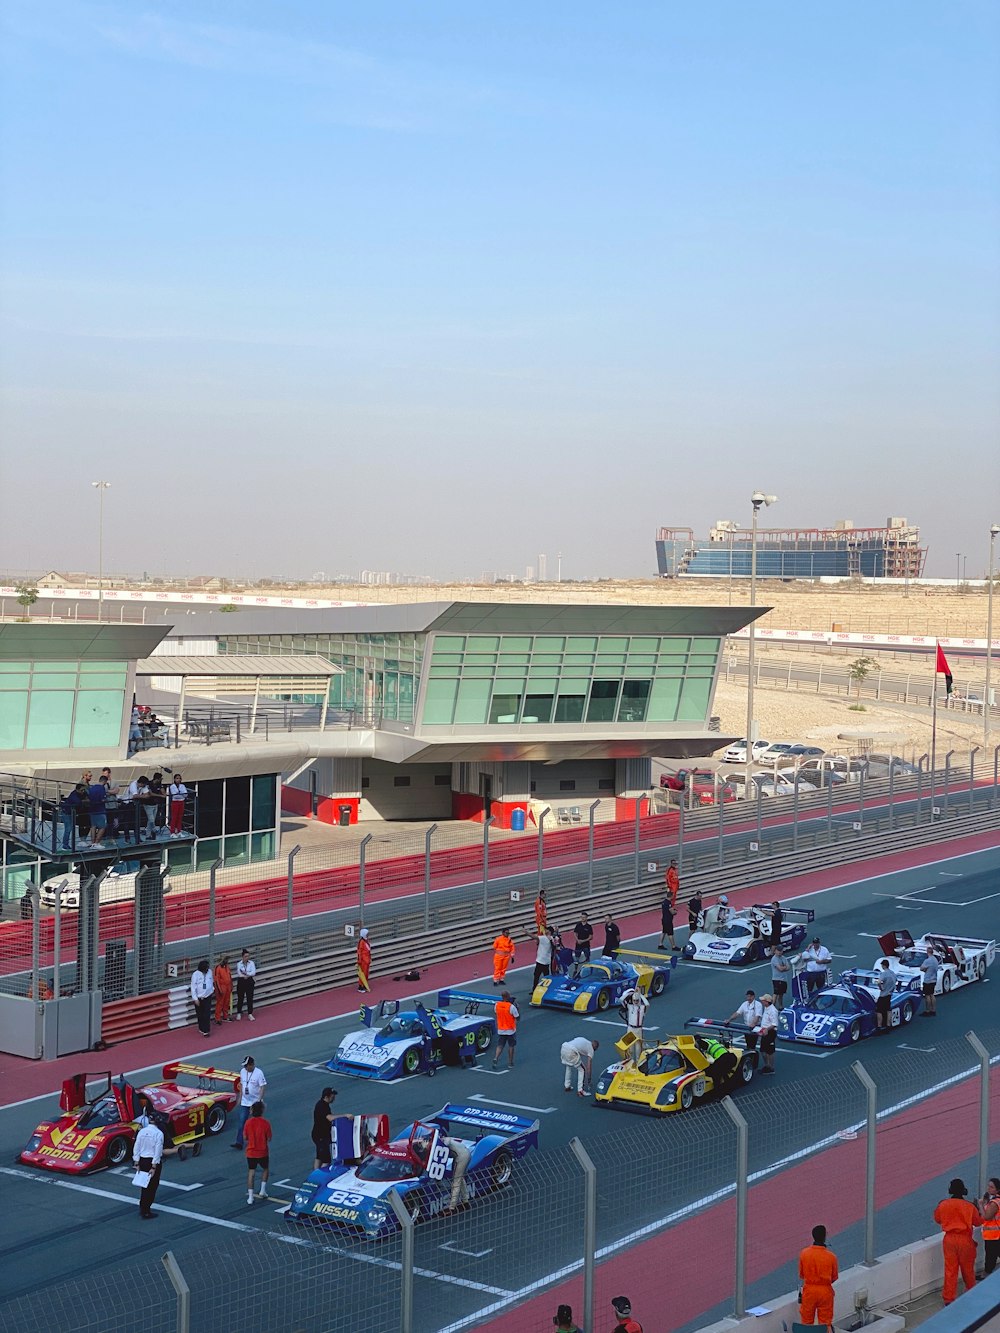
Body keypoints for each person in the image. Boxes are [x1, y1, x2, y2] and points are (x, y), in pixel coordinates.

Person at [934, 1178, 983, 1304]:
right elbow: (978, 1222)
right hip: (965, 1240)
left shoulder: (943, 1204)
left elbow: (938, 1219)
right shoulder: (969, 1207)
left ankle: (948, 1299)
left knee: (950, 1270)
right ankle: (971, 1291)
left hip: (949, 1240)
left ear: (950, 1190)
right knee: (968, 1269)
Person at [798, 1224, 838, 1327]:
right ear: (824, 1237)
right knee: (825, 1323)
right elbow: (834, 1277)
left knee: (806, 1322)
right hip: (825, 1292)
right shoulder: (831, 1257)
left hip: (809, 1291)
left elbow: (802, 1275)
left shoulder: (804, 1253)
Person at [132, 1103, 165, 1220]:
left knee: (144, 1186)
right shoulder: (159, 1134)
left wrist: (136, 1162)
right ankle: (146, 1210)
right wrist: (154, 1166)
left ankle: (143, 1207)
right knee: (152, 1186)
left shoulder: (142, 1132)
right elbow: (157, 1151)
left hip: (142, 1160)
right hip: (152, 1161)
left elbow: (136, 1147)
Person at [232, 1056, 267, 1149]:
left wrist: (259, 1100)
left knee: (256, 1124)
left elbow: (263, 1087)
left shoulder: (259, 1073)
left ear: (251, 1065)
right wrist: (239, 1098)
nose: (245, 1068)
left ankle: (256, 1142)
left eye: (246, 1066)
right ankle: (239, 1142)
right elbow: (242, 1085)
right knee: (241, 1122)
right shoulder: (243, 1072)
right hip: (245, 1102)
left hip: (255, 1103)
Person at [244, 1101, 272, 1204]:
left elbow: (245, 1137)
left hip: (251, 1151)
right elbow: (269, 1138)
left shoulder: (248, 1123)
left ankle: (250, 1197)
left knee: (251, 1172)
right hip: (263, 1151)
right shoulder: (265, 1123)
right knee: (265, 1169)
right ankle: (262, 1190)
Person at [442, 1133, 472, 1213]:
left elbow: (446, 1143)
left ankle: (452, 1208)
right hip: (465, 1154)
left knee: (456, 1181)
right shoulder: (447, 1139)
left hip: (461, 1157)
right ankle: (465, 1201)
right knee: (460, 1178)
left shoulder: (445, 1141)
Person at [311, 1087, 338, 1169]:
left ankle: (315, 1174)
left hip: (319, 1135)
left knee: (319, 1156)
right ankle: (321, 1175)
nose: (334, 1099)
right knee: (326, 1160)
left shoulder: (322, 1104)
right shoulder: (323, 1106)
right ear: (326, 1097)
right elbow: (330, 1118)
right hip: (321, 1136)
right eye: (332, 1097)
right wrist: (344, 1116)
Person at [620, 985, 649, 1061]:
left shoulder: (642, 1008)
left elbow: (647, 1004)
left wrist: (640, 995)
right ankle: (631, 1063)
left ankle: (638, 1064)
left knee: (638, 1049)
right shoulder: (630, 1006)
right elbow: (621, 1000)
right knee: (630, 1049)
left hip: (638, 1029)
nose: (635, 1002)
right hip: (630, 1028)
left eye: (637, 1000)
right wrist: (630, 994)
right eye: (634, 1000)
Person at [492, 991, 519, 1069]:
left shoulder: (497, 1005)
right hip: (510, 1030)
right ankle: (510, 1063)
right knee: (511, 1046)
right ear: (508, 996)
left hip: (501, 1029)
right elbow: (517, 1017)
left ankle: (496, 1057)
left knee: (500, 1045)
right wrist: (517, 1008)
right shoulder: (511, 1007)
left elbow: (496, 1013)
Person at [981, 1177, 1000, 1276]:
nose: (989, 1188)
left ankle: (986, 1274)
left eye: (991, 1187)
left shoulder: (994, 1203)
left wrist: (981, 1205)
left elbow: (987, 1217)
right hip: (996, 1234)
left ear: (997, 1189)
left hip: (993, 1235)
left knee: (990, 1256)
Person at [190, 958, 214, 1036]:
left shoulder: (210, 972)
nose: (207, 969)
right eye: (206, 967)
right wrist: (195, 999)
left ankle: (206, 1031)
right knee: (200, 1014)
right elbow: (193, 987)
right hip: (199, 998)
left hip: (208, 996)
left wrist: (212, 990)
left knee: (207, 1014)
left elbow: (211, 981)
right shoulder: (195, 974)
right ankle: (201, 1027)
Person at [60, 783, 86, 851]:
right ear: (77, 790)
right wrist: (85, 801)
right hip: (66, 813)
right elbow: (78, 802)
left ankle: (66, 844)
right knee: (68, 829)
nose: (83, 791)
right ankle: (65, 845)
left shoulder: (79, 794)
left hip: (71, 813)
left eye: (84, 790)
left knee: (70, 828)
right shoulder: (74, 796)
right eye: (82, 790)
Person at [758, 993, 780, 1074]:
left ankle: (771, 1067)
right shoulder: (766, 1008)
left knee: (770, 1051)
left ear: (767, 1002)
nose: (762, 1001)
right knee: (763, 1050)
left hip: (770, 1032)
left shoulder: (773, 1011)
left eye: (763, 1000)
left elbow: (774, 1024)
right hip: (765, 1031)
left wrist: (766, 1029)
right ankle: (767, 1065)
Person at [87, 775, 108, 847]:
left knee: (93, 826)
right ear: (105, 782)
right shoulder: (102, 789)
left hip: (92, 810)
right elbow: (103, 799)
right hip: (100, 810)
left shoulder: (92, 788)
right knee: (103, 827)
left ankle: (92, 842)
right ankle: (97, 843)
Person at [235, 947, 256, 1020]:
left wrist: (246, 974)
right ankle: (239, 1013)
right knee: (240, 998)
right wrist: (247, 974)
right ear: (242, 957)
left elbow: (253, 973)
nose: (247, 958)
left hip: (249, 981)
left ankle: (250, 1013)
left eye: (248, 956)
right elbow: (239, 973)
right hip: (241, 982)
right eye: (245, 956)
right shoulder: (239, 964)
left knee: (250, 998)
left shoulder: (252, 963)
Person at [874, 958, 895, 1032]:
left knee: (879, 1011)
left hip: (883, 995)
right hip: (889, 994)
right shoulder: (892, 973)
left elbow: (879, 982)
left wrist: (881, 988)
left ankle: (879, 1027)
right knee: (888, 1010)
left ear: (884, 965)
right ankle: (888, 1025)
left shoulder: (884, 973)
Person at [769, 944, 791, 1010]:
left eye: (781, 950)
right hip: (776, 979)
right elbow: (780, 969)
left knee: (781, 994)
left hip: (783, 979)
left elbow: (788, 967)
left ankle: (780, 1006)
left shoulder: (783, 958)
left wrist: (783, 968)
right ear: (775, 951)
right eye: (778, 950)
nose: (779, 952)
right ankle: (772, 1007)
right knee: (776, 993)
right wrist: (784, 968)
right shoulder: (774, 959)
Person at [918, 949, 939, 1016]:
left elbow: (921, 968)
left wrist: (925, 970)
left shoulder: (927, 961)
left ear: (927, 952)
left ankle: (928, 1010)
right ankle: (933, 1010)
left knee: (927, 995)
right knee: (932, 995)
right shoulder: (935, 960)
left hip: (928, 980)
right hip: (934, 979)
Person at [214, 955, 233, 1024]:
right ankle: (217, 1018)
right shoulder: (218, 968)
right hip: (221, 987)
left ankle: (225, 1016)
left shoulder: (227, 967)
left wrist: (231, 986)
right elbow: (216, 980)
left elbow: (230, 976)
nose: (227, 961)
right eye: (226, 959)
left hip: (227, 987)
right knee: (220, 1003)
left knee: (226, 1002)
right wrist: (219, 989)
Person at [357, 927, 372, 992]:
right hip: (363, 960)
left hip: (367, 960)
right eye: (367, 933)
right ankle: (360, 986)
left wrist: (370, 958)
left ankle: (364, 985)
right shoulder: (361, 942)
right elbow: (359, 952)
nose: (368, 935)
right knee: (363, 974)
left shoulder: (366, 940)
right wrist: (359, 960)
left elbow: (368, 951)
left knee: (366, 973)